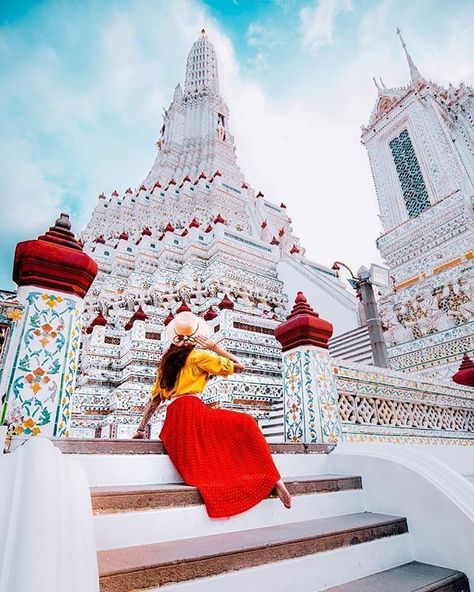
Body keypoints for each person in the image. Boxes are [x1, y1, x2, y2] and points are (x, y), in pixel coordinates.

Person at [132, 310, 291, 517]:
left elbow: (155, 399)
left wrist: (141, 428)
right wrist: (215, 347)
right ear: (197, 335)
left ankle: (272, 478)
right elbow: (240, 367)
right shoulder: (198, 355)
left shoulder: (164, 363)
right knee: (246, 423)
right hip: (194, 412)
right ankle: (273, 477)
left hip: (173, 422)